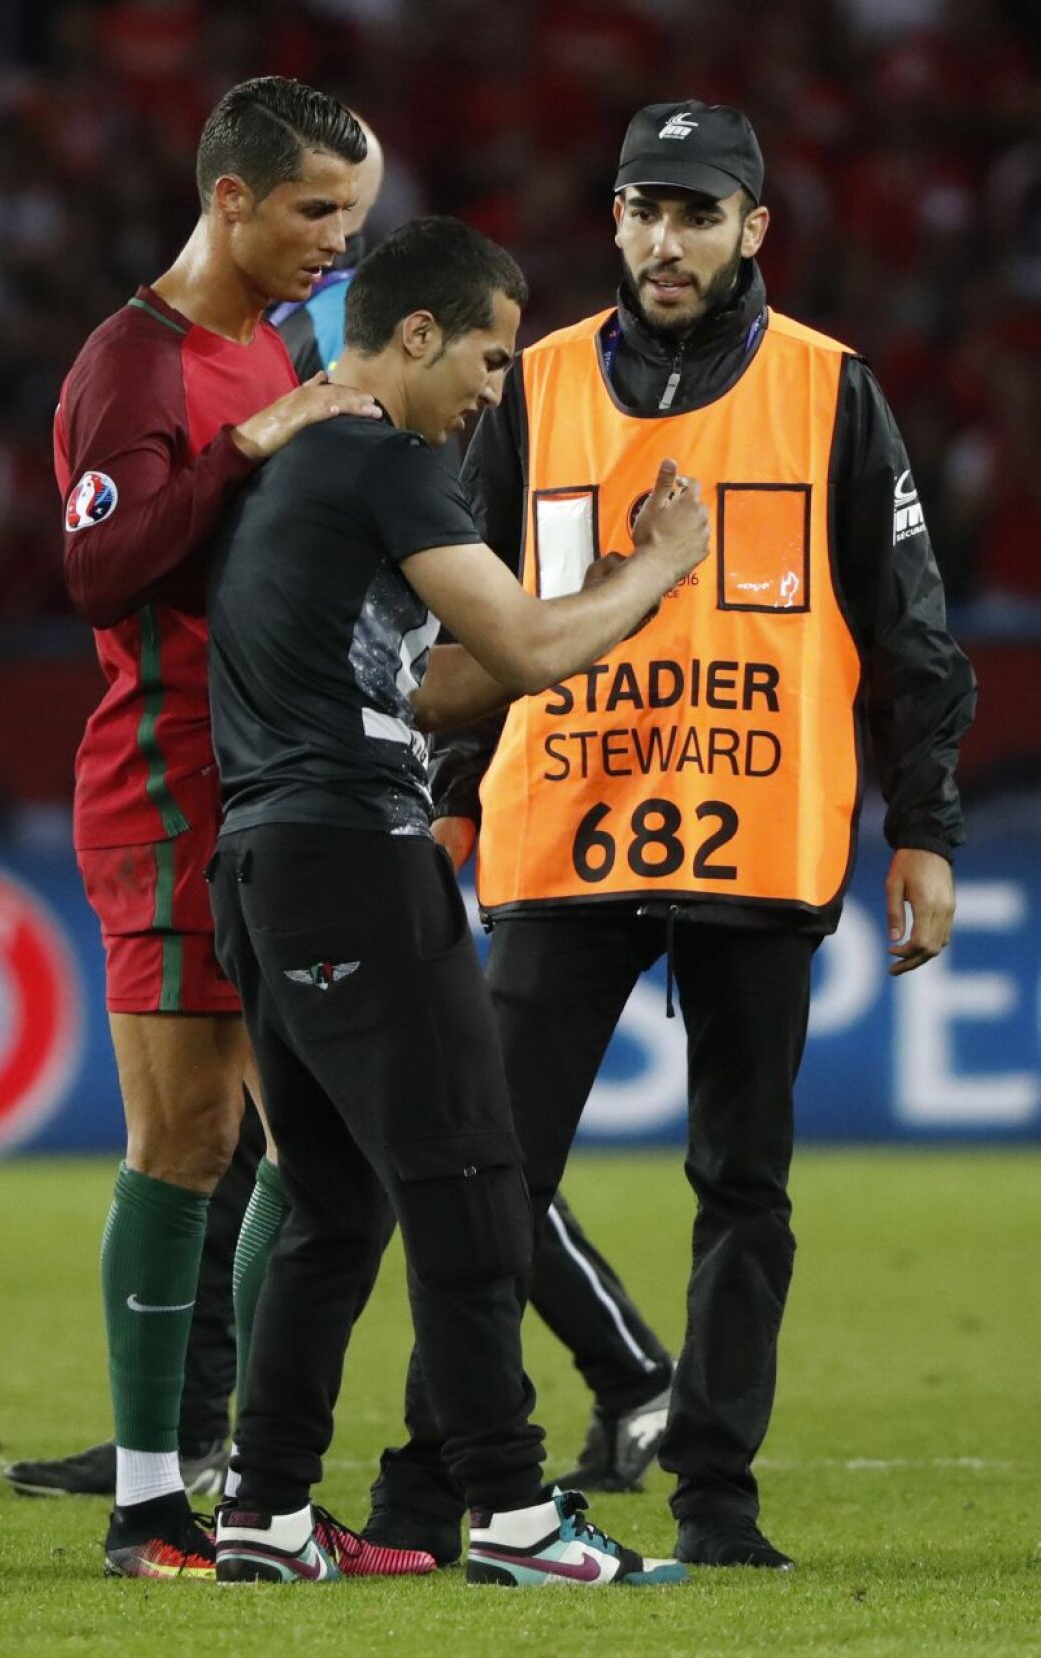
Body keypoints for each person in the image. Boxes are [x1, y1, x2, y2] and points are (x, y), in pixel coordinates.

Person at [410, 100, 977, 1571]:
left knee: (744, 1187)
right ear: (613, 217)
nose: (667, 241)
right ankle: (430, 1485)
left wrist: (927, 830)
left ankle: (715, 1497)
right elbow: (457, 617)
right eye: (644, 210)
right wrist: (449, 797)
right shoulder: (531, 387)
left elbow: (912, 633)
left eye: (698, 214)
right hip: (561, 827)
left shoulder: (830, 390)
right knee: (490, 1182)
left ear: (752, 228)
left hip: (757, 839)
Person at [205, 214, 710, 1587]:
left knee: (332, 1209)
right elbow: (530, 647)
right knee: (473, 1181)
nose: (496, 388)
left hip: (265, 868)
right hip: (357, 861)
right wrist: (662, 564)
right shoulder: (384, 462)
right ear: (416, 334)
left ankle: (264, 1512)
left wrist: (603, 595)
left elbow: (431, 688)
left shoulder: (299, 471)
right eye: (488, 357)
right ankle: (515, 1514)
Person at [54, 75, 385, 1582]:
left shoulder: (269, 342)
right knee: (186, 1140)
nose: (337, 241)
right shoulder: (135, 362)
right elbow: (101, 570)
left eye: (354, 215)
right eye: (317, 209)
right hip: (169, 782)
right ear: (230, 197)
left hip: (272, 775)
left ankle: (263, 1493)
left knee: (293, 1142)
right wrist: (261, 441)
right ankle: (147, 1509)